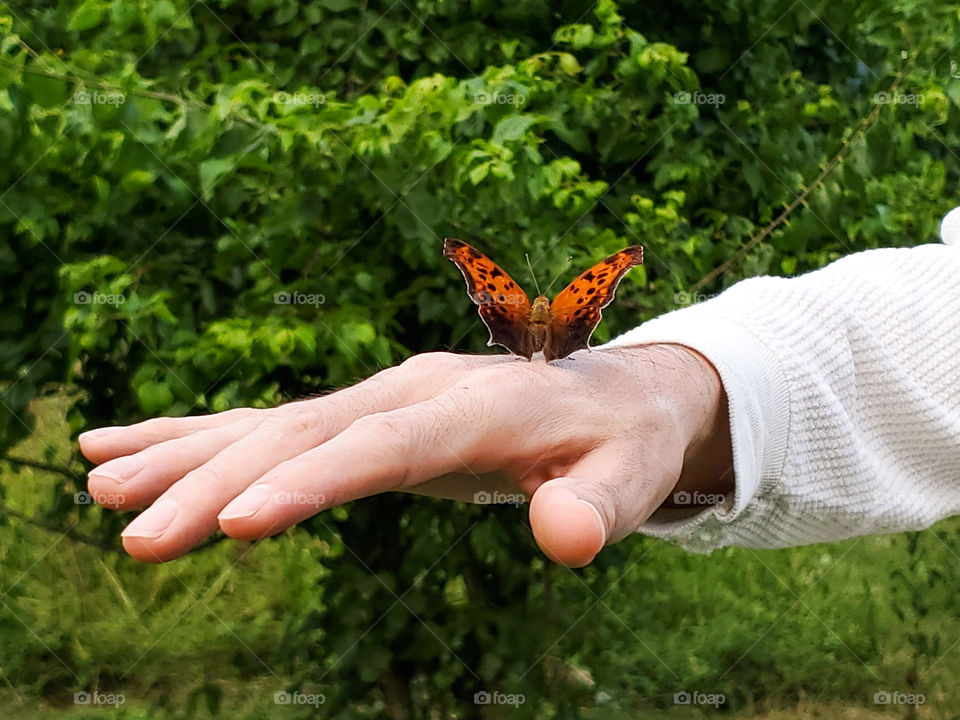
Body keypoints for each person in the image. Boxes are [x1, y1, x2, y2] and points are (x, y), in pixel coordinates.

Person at [80, 209, 960, 567]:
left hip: (551, 348)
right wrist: (689, 390)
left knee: (542, 345)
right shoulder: (555, 322)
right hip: (558, 353)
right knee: (546, 349)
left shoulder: (546, 312)